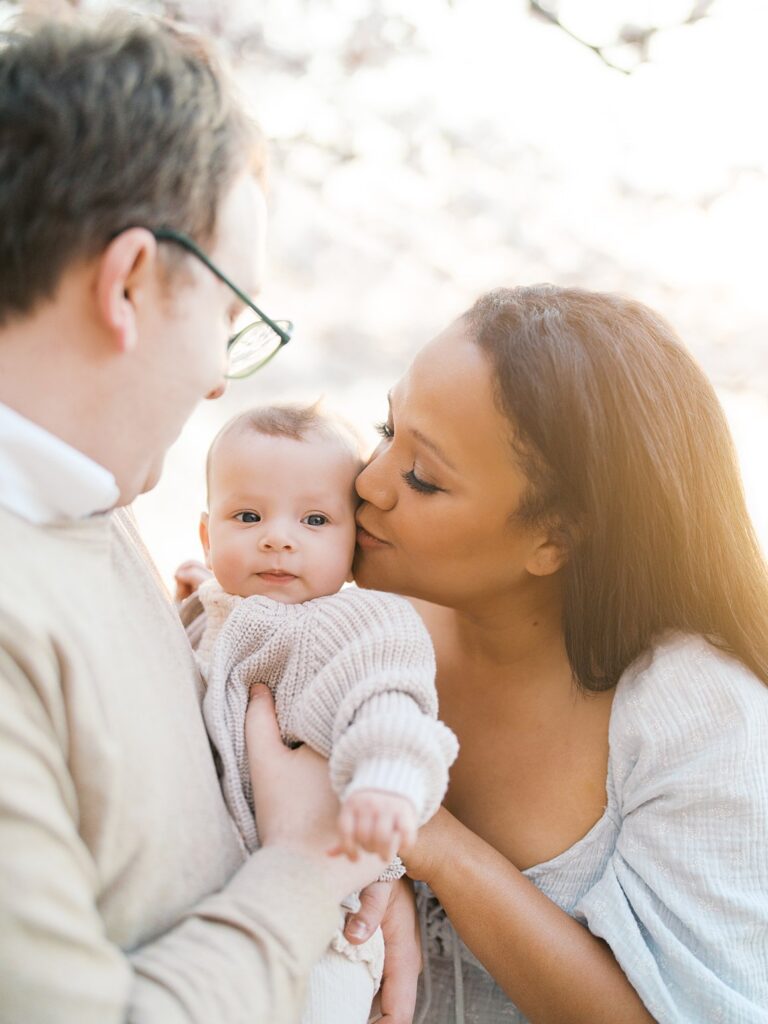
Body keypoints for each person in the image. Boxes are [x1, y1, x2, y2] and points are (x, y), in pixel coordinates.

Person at [0, 15, 419, 1024]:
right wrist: (309, 868)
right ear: (130, 283)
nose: (221, 375)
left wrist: (359, 883)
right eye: (231, 316)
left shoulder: (92, 515)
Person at [341, 284, 768, 1023]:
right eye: (385, 427)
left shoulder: (700, 714)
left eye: (423, 478)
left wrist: (433, 840)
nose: (368, 482)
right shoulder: (359, 624)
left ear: (557, 538)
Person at [185, 403, 457, 1024]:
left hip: (331, 924)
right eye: (247, 516)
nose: (278, 537)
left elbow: (390, 703)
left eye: (314, 519)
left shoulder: (351, 624)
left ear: (354, 542)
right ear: (208, 534)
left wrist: (387, 781)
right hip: (243, 913)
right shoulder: (218, 608)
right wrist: (194, 598)